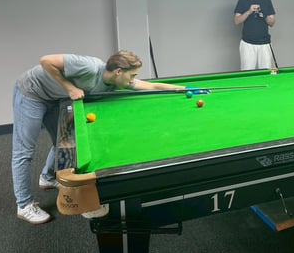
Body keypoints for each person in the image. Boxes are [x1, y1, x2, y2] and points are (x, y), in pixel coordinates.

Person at [12, 50, 186, 224]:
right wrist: (70, 88)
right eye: (132, 75)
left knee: (62, 140)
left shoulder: (116, 82)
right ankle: (24, 205)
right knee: (24, 152)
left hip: (55, 97)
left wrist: (182, 89)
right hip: (32, 93)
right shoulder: (90, 67)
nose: (133, 80)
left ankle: (48, 178)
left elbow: (150, 86)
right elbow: (46, 60)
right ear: (119, 71)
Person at [234, 0, 276, 70]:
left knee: (266, 74)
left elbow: (272, 23)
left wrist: (264, 16)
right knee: (247, 75)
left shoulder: (267, 1)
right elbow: (236, 21)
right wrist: (249, 11)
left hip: (265, 44)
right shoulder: (243, 0)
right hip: (247, 44)